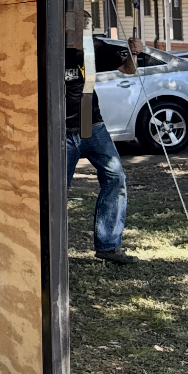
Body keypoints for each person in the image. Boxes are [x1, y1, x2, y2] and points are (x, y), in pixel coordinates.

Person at [65, 20, 142, 264]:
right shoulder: (46, 46)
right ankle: (48, 251)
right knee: (56, 192)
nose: (81, 30)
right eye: (79, 25)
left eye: (84, 26)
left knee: (115, 177)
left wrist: (134, 52)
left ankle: (108, 246)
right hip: (59, 130)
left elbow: (128, 68)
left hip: (91, 124)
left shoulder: (92, 47)